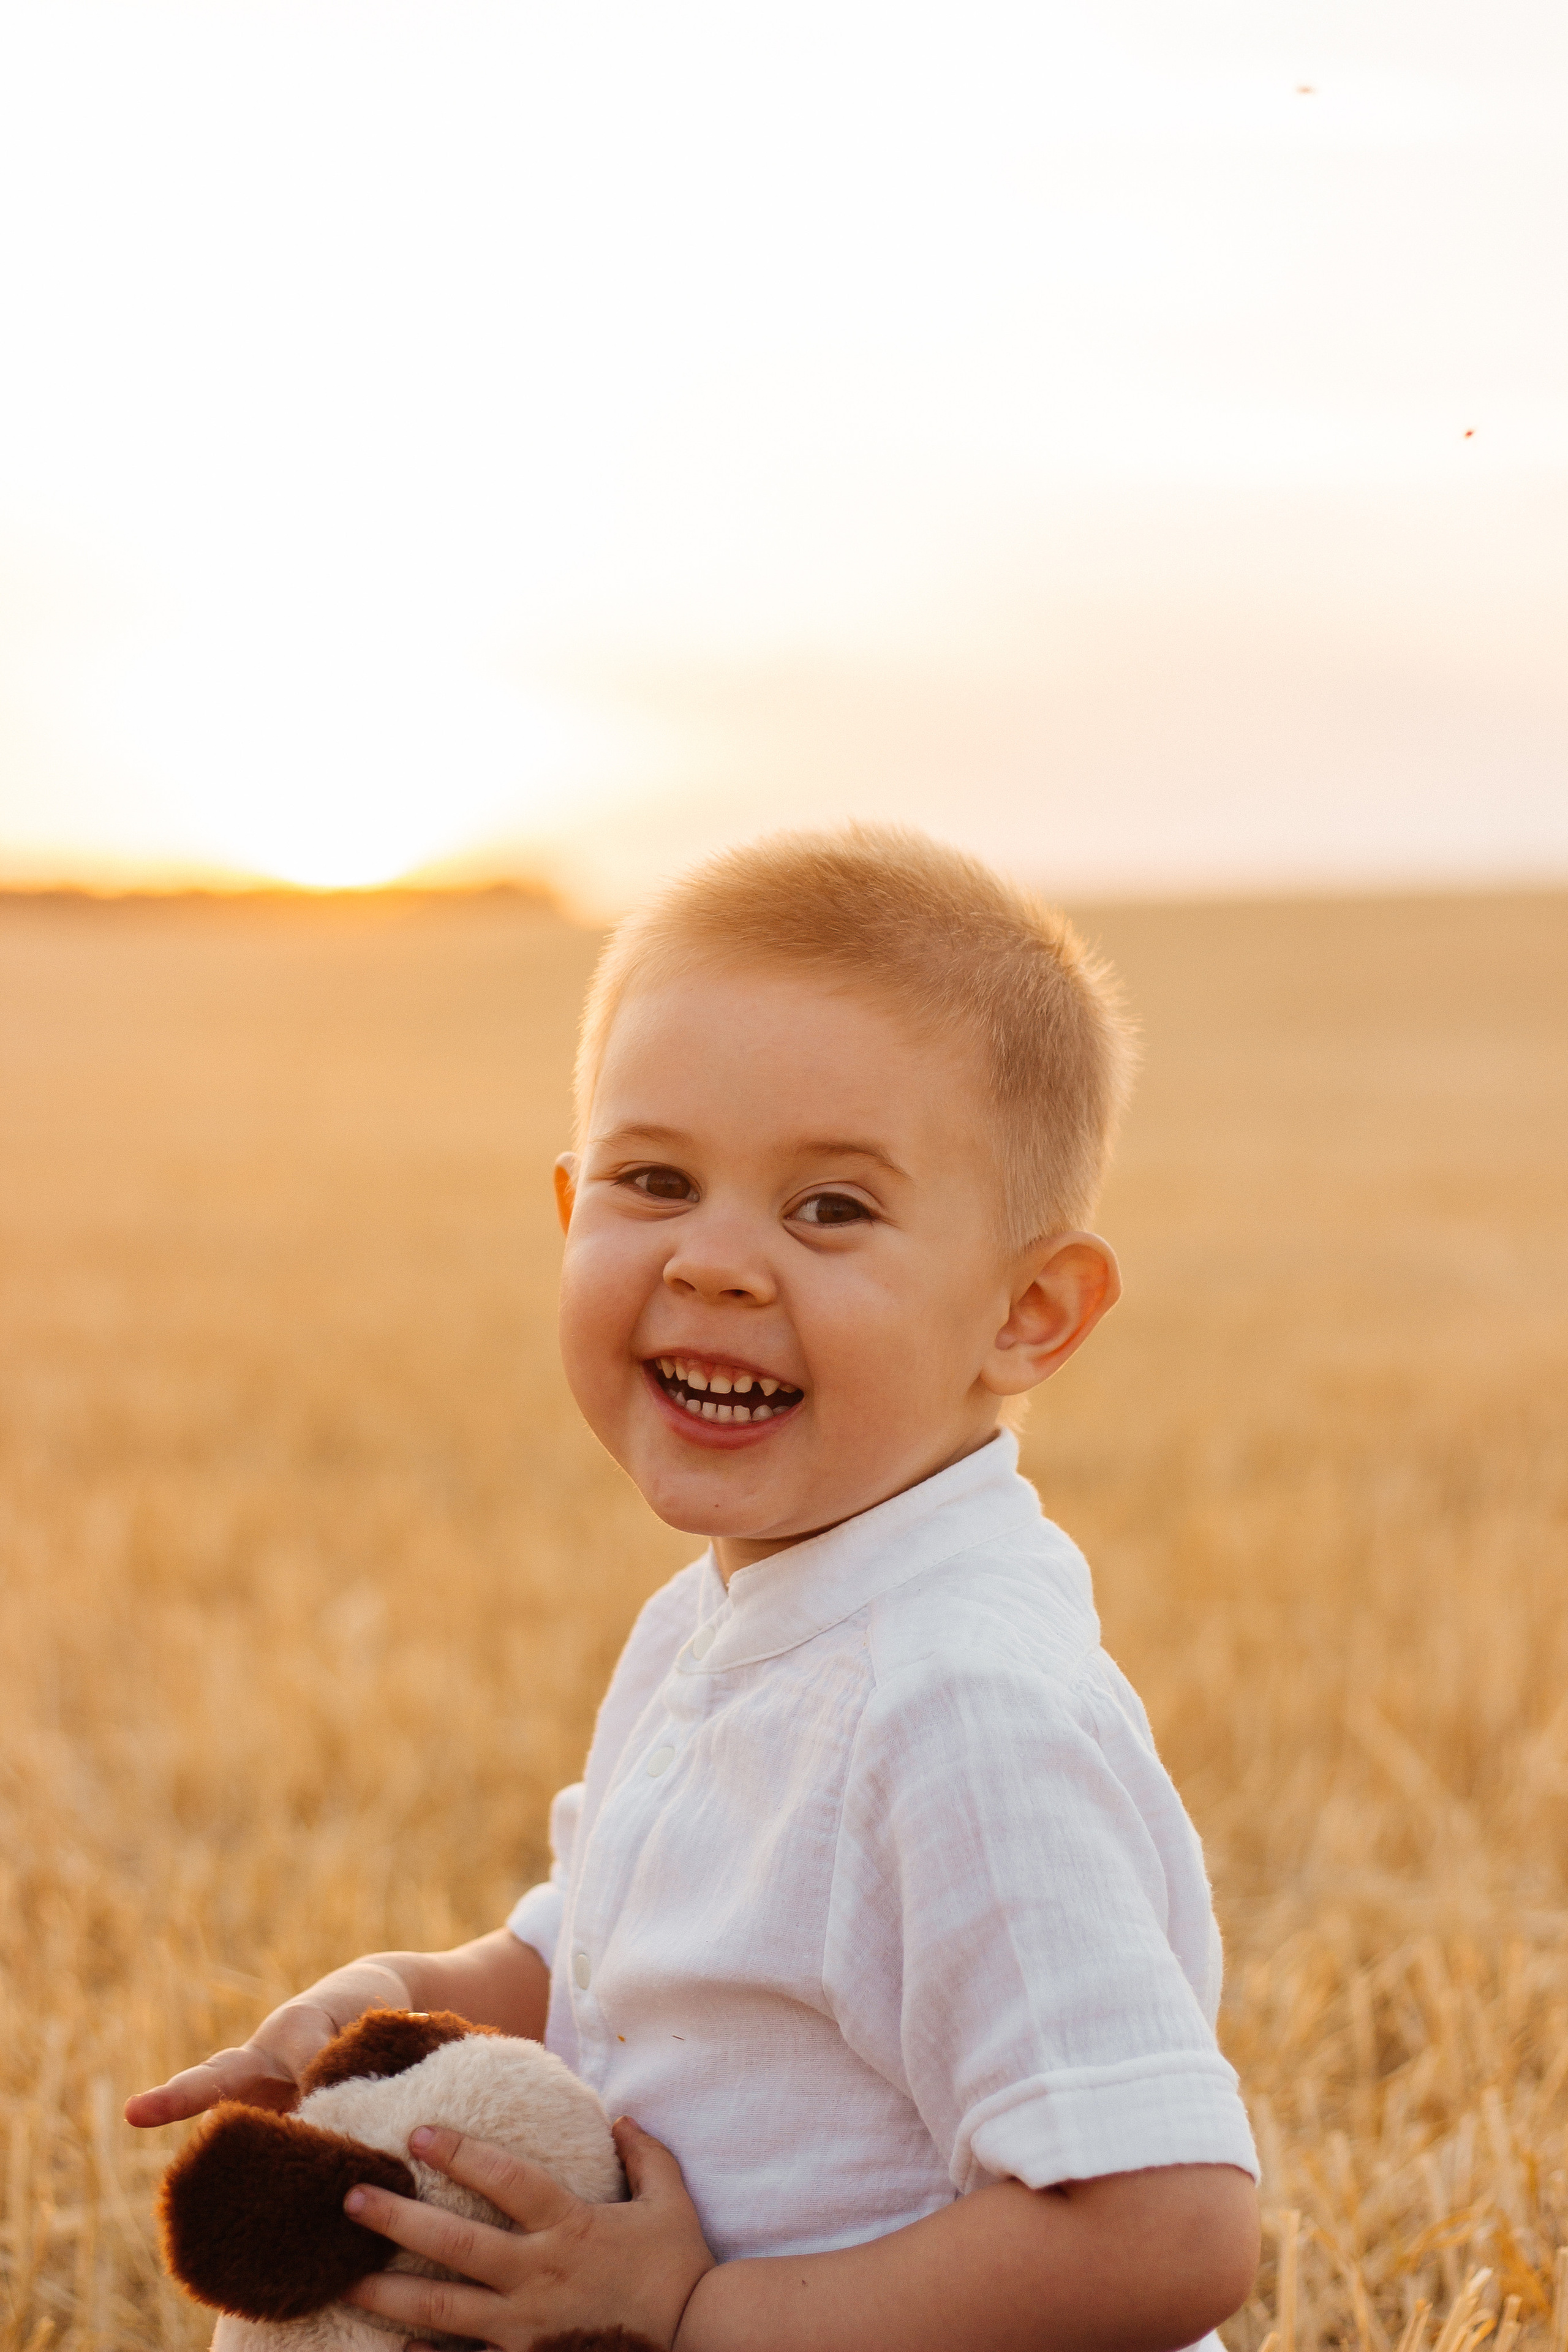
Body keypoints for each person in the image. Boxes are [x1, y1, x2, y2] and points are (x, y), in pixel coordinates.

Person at [129, 827, 1261, 2352]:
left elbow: (1162, 2236)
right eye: (653, 1181)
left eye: (830, 1209)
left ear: (1026, 1313)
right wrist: (399, 1990)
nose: (715, 1262)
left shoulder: (954, 1707)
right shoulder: (726, 1624)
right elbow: (603, 1963)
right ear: (567, 1210)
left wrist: (700, 2309)